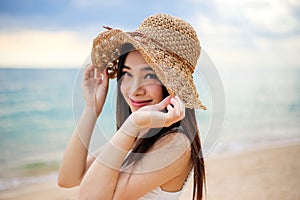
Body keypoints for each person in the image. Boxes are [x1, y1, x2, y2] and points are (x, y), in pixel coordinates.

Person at [58, 13, 207, 200]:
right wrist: (91, 109)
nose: (134, 90)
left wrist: (133, 124)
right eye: (127, 74)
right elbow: (68, 178)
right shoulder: (141, 135)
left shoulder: (175, 144)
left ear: (173, 85)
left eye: (150, 75)